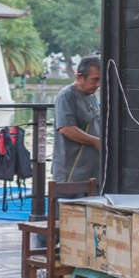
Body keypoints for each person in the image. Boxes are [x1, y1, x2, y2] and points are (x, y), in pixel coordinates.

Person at [53, 55, 102, 183]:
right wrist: (95, 141)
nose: (98, 84)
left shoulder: (91, 97)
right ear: (80, 77)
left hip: (91, 171)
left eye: (100, 80)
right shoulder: (66, 96)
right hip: (71, 171)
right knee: (69, 203)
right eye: (95, 80)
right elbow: (66, 129)